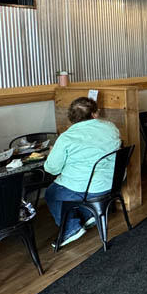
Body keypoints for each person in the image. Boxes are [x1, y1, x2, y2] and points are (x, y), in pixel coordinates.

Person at [44, 97, 121, 247]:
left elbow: (52, 169)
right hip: (111, 184)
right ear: (95, 114)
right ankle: (89, 214)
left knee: (51, 193)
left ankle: (72, 227)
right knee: (70, 188)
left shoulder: (66, 137)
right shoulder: (111, 127)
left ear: (71, 117)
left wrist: (52, 154)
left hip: (87, 188)